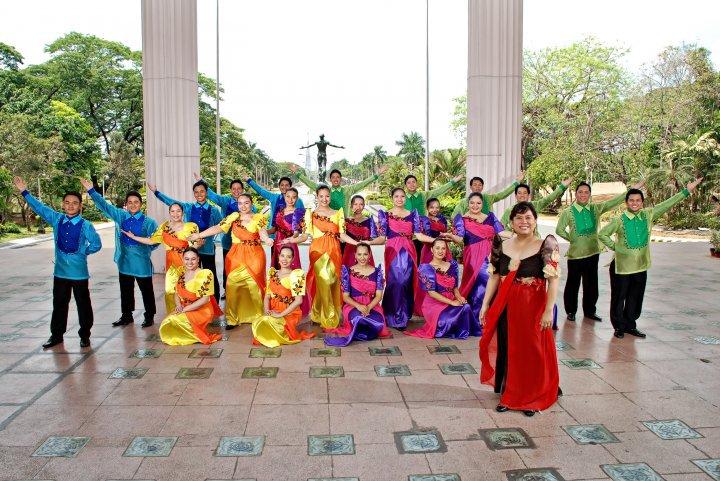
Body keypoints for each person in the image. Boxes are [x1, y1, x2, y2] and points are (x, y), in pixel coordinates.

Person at [479, 202, 561, 417]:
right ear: (512, 222)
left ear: (535, 221)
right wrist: (486, 304)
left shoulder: (547, 244)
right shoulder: (501, 243)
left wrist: (548, 311)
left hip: (533, 305)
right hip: (506, 304)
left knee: (531, 348)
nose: (524, 222)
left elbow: (553, 281)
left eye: (528, 218)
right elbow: (495, 276)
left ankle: (532, 396)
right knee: (509, 346)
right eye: (519, 218)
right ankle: (510, 393)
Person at [599, 178, 702, 339]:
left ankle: (630, 325)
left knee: (635, 297)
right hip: (622, 266)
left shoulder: (648, 215)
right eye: (631, 200)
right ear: (626, 202)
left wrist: (686, 190)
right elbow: (603, 234)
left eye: (638, 200)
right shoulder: (619, 220)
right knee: (619, 297)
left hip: (640, 266)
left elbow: (668, 203)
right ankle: (619, 327)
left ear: (642, 202)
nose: (634, 203)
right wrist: (616, 248)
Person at [14, 176, 102, 349]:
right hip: (60, 272)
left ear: (80, 206)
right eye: (67, 202)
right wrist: (24, 191)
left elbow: (97, 244)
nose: (70, 205)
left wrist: (83, 251)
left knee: (83, 305)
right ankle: (56, 335)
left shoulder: (86, 225)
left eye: (75, 203)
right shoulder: (57, 219)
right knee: (59, 304)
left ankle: (85, 335)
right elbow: (39, 208)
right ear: (63, 205)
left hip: (79, 273)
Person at [555, 180, 644, 322]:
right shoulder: (568, 212)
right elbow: (559, 230)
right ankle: (571, 311)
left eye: (586, 192)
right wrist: (572, 239)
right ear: (576, 194)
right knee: (573, 284)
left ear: (590, 194)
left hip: (593, 253)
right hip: (575, 255)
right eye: (580, 192)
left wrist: (630, 190)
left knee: (591, 284)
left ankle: (590, 311)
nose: (583, 194)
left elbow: (613, 202)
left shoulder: (596, 209)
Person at [80, 179, 158, 328]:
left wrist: (144, 250)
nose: (133, 204)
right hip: (125, 261)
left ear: (141, 204)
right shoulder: (121, 216)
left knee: (146, 290)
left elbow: (156, 241)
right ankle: (126, 316)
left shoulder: (149, 222)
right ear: (126, 204)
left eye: (136, 202)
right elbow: (104, 206)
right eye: (130, 202)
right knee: (126, 290)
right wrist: (91, 191)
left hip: (142, 262)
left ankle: (149, 316)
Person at [189, 194, 273, 328]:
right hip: (236, 256)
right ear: (237, 205)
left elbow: (262, 232)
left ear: (251, 204)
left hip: (255, 255)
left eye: (246, 203)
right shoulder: (233, 217)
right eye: (240, 203)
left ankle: (259, 317)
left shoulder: (259, 218)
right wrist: (199, 235)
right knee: (232, 285)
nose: (243, 206)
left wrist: (267, 239)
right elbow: (218, 227)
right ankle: (232, 318)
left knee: (254, 286)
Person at [283, 185, 359, 329]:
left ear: (330, 196)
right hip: (317, 250)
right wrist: (291, 240)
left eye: (327, 196)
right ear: (316, 197)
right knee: (324, 279)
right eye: (321, 196)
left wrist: (357, 243)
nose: (324, 199)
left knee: (332, 281)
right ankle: (330, 317)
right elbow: (305, 235)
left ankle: (317, 313)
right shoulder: (309, 214)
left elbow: (342, 235)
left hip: (334, 250)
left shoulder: (338, 213)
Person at [148, 180, 223, 302]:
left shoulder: (214, 210)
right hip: (189, 250)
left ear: (206, 193)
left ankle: (214, 303)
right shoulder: (188, 207)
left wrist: (207, 237)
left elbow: (220, 227)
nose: (199, 194)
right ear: (193, 193)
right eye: (196, 192)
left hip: (207, 248)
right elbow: (171, 203)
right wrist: (156, 192)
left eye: (202, 191)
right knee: (190, 276)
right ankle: (191, 301)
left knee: (210, 274)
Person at [122, 203, 199, 315]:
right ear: (169, 213)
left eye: (178, 211)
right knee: (170, 292)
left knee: (189, 291)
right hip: (171, 265)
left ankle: (190, 319)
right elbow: (151, 240)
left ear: (183, 212)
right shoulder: (164, 227)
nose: (175, 214)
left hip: (188, 264)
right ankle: (174, 318)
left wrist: (198, 245)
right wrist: (134, 237)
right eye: (172, 211)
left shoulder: (191, 226)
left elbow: (194, 246)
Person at [445, 192, 504, 335]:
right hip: (472, 256)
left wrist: (518, 235)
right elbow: (460, 239)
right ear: (468, 203)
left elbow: (501, 233)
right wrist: (452, 236)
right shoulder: (462, 219)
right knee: (481, 282)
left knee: (489, 283)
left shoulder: (490, 217)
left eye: (478, 203)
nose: (475, 206)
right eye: (472, 203)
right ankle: (478, 320)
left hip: (491, 254)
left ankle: (487, 318)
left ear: (482, 204)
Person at [377, 187, 435, 329]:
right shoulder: (385, 215)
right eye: (396, 196)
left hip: (408, 250)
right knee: (395, 281)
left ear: (406, 198)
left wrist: (436, 240)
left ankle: (403, 314)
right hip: (392, 250)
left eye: (402, 196)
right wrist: (366, 242)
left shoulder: (413, 214)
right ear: (392, 198)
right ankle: (392, 314)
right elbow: (381, 238)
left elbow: (419, 236)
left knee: (406, 282)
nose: (399, 199)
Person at [194, 173, 257, 298]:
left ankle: (244, 291)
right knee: (228, 267)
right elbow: (211, 194)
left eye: (239, 189)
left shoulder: (251, 207)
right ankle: (227, 290)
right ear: (230, 190)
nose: (236, 191)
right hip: (228, 242)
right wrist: (202, 181)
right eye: (234, 189)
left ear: (243, 190)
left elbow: (255, 226)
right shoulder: (225, 201)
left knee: (245, 268)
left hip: (246, 245)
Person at [325, 243, 390, 346]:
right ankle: (359, 331)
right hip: (353, 306)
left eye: (365, 254)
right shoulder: (348, 272)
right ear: (355, 255)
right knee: (358, 318)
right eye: (359, 254)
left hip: (372, 306)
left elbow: (379, 296)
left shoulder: (377, 272)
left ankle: (365, 333)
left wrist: (368, 307)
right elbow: (345, 297)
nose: (362, 258)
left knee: (379, 322)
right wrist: (359, 306)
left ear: (369, 255)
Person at [406, 239, 472, 339]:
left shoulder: (452, 265)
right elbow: (431, 293)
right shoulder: (426, 268)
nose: (440, 251)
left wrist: (459, 298)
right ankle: (443, 326)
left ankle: (456, 328)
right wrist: (452, 302)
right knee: (444, 321)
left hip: (450, 301)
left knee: (466, 307)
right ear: (432, 250)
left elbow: (455, 288)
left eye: (443, 248)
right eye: (437, 248)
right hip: (433, 305)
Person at [252, 246, 315, 347]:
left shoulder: (296, 276)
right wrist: (267, 311)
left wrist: (280, 315)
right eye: (282, 256)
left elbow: (298, 301)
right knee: (260, 321)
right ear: (278, 256)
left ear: (293, 259)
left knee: (266, 323)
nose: (284, 259)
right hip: (274, 310)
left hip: (290, 313)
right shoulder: (273, 273)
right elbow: (267, 296)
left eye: (289, 257)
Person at [160, 247, 223, 345]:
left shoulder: (204, 274)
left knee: (174, 320)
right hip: (185, 308)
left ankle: (196, 335)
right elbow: (177, 293)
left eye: (193, 259)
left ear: (198, 259)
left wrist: (184, 310)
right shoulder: (181, 271)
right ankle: (185, 333)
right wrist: (179, 306)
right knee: (167, 322)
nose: (190, 262)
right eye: (187, 259)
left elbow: (205, 300)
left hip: (201, 310)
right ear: (183, 259)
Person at [291, 163, 388, 216]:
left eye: (338, 177)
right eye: (333, 177)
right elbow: (309, 183)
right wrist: (297, 173)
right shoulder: (325, 190)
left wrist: (377, 175)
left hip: (344, 223)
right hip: (329, 222)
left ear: (340, 179)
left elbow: (363, 184)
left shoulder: (347, 190)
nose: (335, 179)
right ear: (330, 179)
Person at [500, 178, 573, 232]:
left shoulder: (534, 206)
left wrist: (562, 187)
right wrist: (512, 234)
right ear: (516, 196)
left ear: (528, 195)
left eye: (525, 193)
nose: (522, 195)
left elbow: (548, 199)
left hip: (534, 244)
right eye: (519, 193)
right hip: (517, 246)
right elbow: (501, 226)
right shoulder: (509, 210)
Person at [451, 171, 525, 217]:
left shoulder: (488, 198)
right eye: (475, 185)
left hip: (487, 233)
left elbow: (503, 194)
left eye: (479, 185)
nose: (477, 187)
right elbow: (455, 216)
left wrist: (517, 182)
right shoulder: (464, 202)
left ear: (482, 187)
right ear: (470, 187)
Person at [270, 187, 305, 270]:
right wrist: (263, 231)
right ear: (284, 197)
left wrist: (291, 239)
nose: (290, 199)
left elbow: (296, 232)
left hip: (290, 243)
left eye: (294, 197)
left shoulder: (299, 212)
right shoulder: (279, 210)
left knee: (291, 269)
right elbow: (274, 229)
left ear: (297, 198)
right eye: (288, 196)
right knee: (277, 272)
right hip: (278, 242)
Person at [342, 195, 381, 267]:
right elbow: (341, 238)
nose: (358, 207)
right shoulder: (345, 221)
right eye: (355, 204)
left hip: (365, 253)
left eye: (361, 204)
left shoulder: (369, 221)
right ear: (351, 206)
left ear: (364, 206)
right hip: (349, 253)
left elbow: (375, 238)